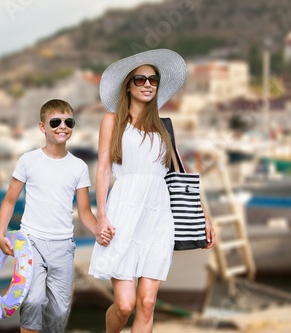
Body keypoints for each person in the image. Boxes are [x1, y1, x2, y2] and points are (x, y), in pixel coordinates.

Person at [88, 49, 216, 333]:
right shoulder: (112, 121)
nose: (148, 84)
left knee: (147, 303)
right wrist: (101, 216)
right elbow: (103, 170)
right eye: (140, 79)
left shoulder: (165, 127)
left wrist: (204, 216)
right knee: (124, 305)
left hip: (159, 218)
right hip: (123, 214)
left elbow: (179, 177)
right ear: (128, 85)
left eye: (153, 79)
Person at [0, 99, 114, 333]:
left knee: (59, 312)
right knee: (33, 301)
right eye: (56, 121)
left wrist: (99, 230)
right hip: (31, 243)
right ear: (42, 127)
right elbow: (9, 200)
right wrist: (1, 234)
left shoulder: (78, 167)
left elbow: (84, 212)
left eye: (69, 122)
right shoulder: (28, 161)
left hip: (63, 246)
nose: (63, 126)